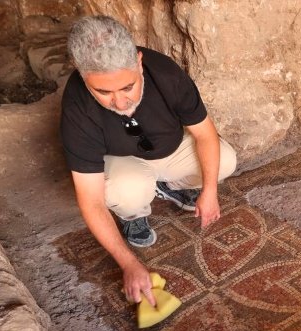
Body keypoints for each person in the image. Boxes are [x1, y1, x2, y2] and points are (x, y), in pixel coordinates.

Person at [61, 15, 236, 306]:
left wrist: (210, 192)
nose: (119, 102)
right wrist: (128, 264)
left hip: (169, 151)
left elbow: (205, 135)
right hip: (124, 164)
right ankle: (133, 215)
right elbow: (90, 199)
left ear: (139, 62)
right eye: (103, 92)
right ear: (82, 76)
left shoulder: (165, 74)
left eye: (127, 87)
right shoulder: (77, 106)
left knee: (226, 160)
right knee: (127, 192)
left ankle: (167, 186)